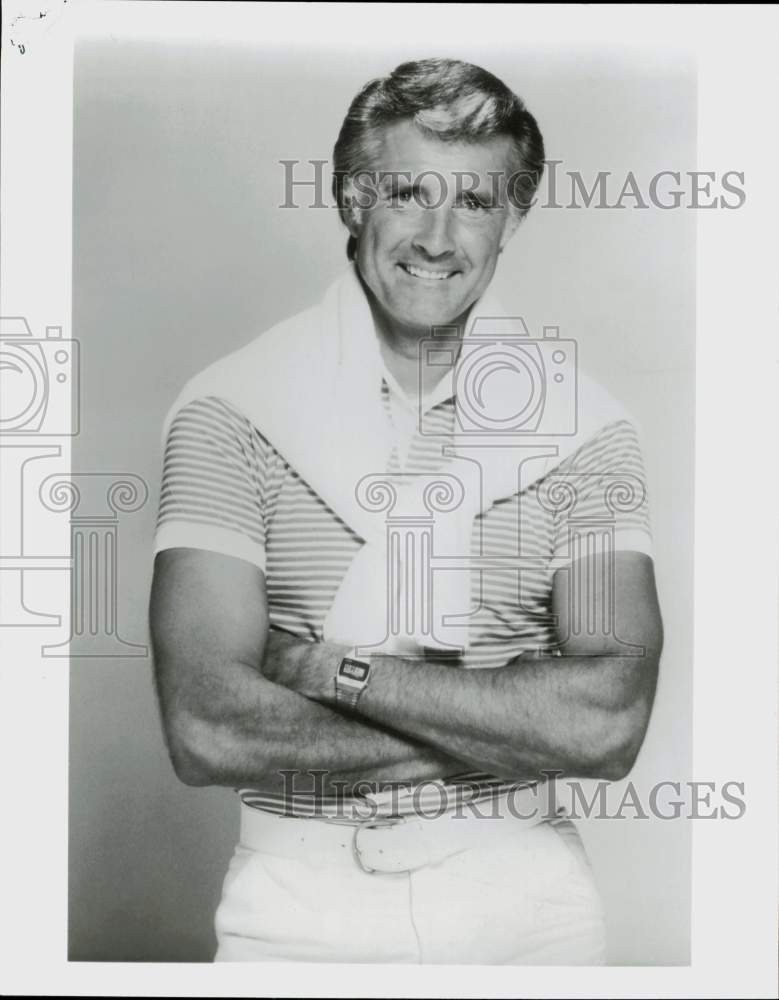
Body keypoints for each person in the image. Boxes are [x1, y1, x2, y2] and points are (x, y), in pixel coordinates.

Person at [149, 57, 662, 965]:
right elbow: (207, 728)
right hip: (294, 904)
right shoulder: (232, 409)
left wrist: (329, 671)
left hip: (527, 901)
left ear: (511, 217)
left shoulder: (587, 429)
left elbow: (606, 725)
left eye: (472, 201)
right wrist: (510, 721)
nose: (435, 236)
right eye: (407, 192)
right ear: (352, 198)